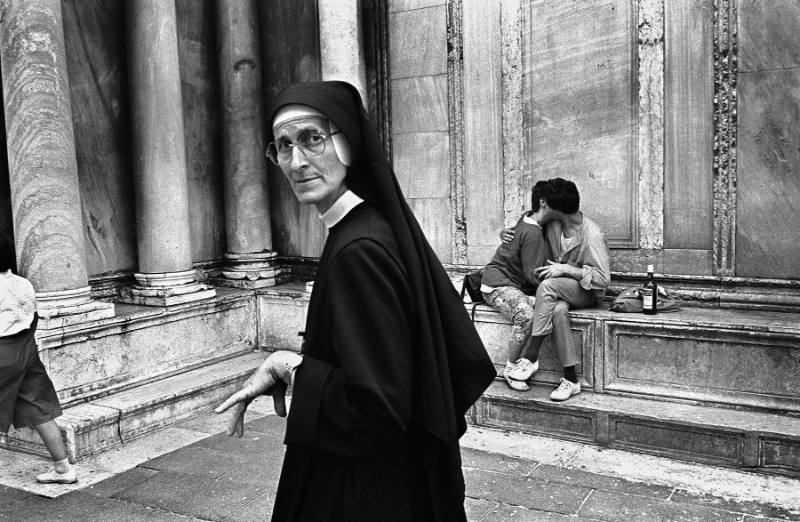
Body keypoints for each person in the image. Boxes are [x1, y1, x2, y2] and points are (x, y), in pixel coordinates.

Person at [215, 81, 496, 521]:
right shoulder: (368, 228)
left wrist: (289, 367)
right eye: (282, 146)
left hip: (367, 492)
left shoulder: (358, 249)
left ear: (347, 141)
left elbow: (377, 406)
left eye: (311, 138)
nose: (296, 161)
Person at [511, 178, 610, 401]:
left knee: (547, 285)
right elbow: (530, 219)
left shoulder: (592, 235)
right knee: (558, 310)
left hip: (586, 292)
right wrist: (505, 234)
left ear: (556, 210)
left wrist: (567, 269)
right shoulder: (554, 224)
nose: (543, 206)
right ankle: (571, 378)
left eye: (547, 204)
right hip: (560, 293)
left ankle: (530, 356)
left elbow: (604, 279)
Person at [0, 231, 76, 484]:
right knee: (39, 410)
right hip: (25, 349)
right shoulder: (23, 283)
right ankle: (64, 469)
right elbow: (31, 318)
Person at [481, 181, 551, 391]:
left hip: (509, 283)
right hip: (497, 285)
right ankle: (510, 368)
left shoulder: (529, 217)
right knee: (525, 315)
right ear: (544, 203)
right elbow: (532, 274)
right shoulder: (533, 231)